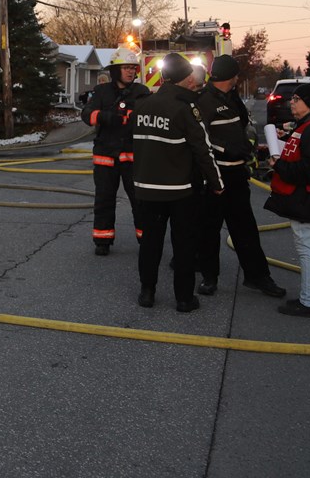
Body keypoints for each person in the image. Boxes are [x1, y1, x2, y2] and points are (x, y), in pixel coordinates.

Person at [132, 53, 223, 312]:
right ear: (186, 78)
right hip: (180, 190)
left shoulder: (143, 105)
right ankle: (184, 298)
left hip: (147, 189)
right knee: (184, 244)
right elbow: (203, 150)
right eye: (191, 77)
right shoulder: (186, 108)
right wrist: (217, 183)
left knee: (150, 242)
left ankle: (147, 292)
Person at [193, 54, 286, 298]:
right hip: (215, 176)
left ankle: (257, 277)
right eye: (235, 75)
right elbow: (199, 138)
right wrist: (227, 149)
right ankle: (209, 277)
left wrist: (247, 149)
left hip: (236, 174)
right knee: (209, 229)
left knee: (245, 228)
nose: (237, 78)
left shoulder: (233, 98)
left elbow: (243, 126)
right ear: (229, 76)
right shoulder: (203, 101)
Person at [264, 82, 310, 317]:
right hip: (308, 196)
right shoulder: (308, 126)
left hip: (307, 197)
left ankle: (309, 302)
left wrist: (280, 166)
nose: (291, 102)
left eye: (297, 99)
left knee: (306, 248)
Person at [79, 48, 151, 255]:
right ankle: (103, 240)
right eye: (126, 68)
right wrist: (104, 117)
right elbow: (86, 114)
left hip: (133, 156)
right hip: (105, 156)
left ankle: (145, 238)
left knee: (140, 200)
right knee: (104, 199)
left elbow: (148, 118)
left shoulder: (141, 92)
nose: (130, 72)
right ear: (115, 70)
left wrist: (131, 116)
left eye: (133, 68)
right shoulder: (101, 92)